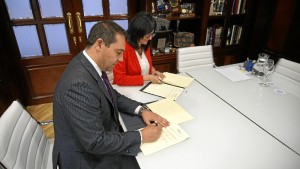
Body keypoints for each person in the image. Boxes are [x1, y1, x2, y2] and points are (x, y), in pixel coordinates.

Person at [52, 21, 169, 169]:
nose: (120, 59)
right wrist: (140, 136)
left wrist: (142, 110)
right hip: (85, 158)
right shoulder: (78, 84)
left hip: (95, 142)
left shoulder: (89, 64)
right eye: (118, 53)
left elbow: (112, 94)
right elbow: (95, 142)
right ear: (99, 44)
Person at [113, 11, 165, 86]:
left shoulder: (145, 44)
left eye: (152, 34)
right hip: (126, 91)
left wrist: (153, 71)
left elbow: (143, 65)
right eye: (147, 36)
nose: (150, 38)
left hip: (143, 88)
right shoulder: (123, 48)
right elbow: (120, 79)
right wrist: (147, 77)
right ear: (138, 33)